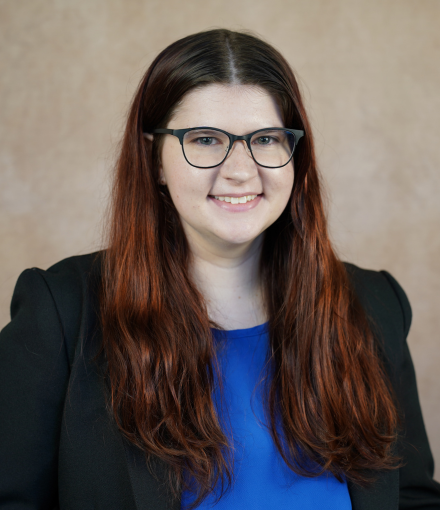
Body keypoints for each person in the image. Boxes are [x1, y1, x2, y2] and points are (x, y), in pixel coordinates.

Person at [0, 28, 439, 510]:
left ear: (296, 155)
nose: (240, 170)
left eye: (266, 139)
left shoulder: (375, 306)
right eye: (206, 139)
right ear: (155, 160)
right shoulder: (60, 314)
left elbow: (412, 497)